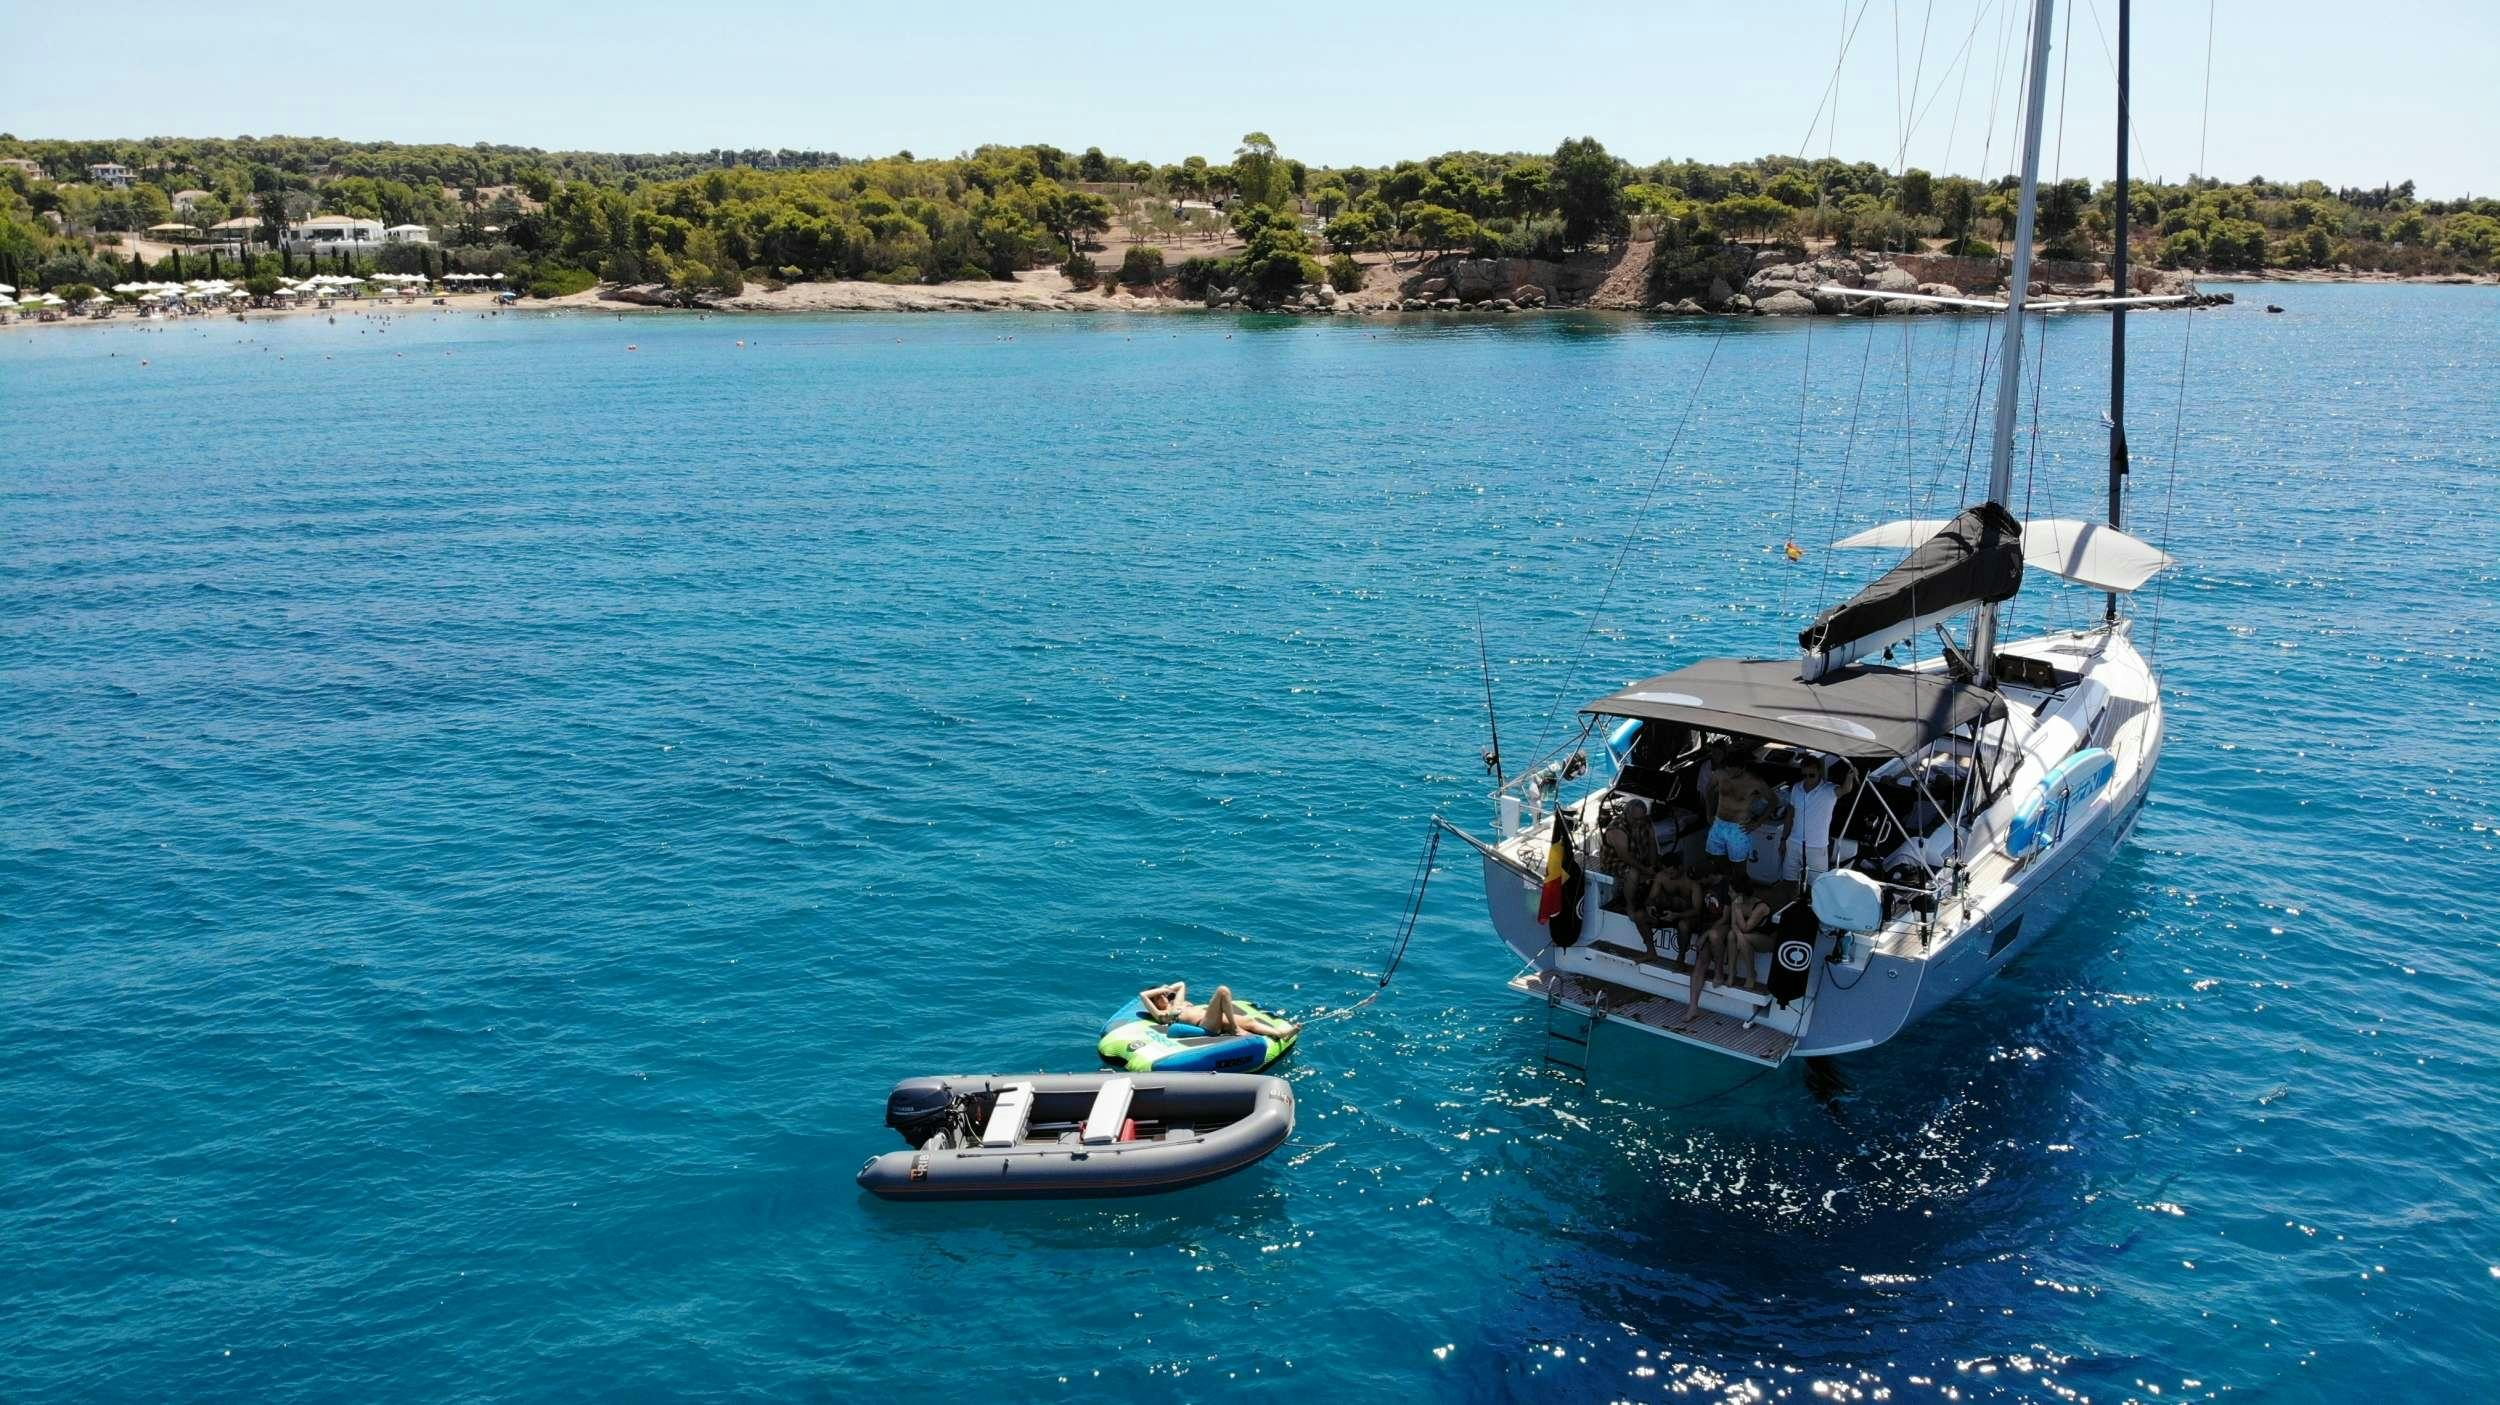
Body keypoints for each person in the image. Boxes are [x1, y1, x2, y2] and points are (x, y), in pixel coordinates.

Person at [1781, 755, 1854, 889]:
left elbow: (1846, 789)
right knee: (1789, 880)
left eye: (1811, 775)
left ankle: (1814, 909)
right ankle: (1792, 907)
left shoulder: (1830, 790)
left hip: (1817, 847)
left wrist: (1850, 776)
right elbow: (1789, 815)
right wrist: (1783, 839)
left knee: (1818, 885)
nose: (1807, 779)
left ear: (1819, 772)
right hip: (1793, 843)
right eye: (1805, 775)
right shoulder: (1796, 788)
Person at [1137, 981, 1297, 1039]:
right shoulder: (1162, 1015)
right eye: (1160, 996)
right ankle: (1234, 1029)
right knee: (1222, 990)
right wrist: (1158, 990)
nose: (1164, 996)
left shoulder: (1176, 1004)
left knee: (1249, 1021)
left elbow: (1181, 984)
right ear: (1156, 1003)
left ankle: (1281, 1034)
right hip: (1205, 1025)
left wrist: (1166, 988)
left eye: (1164, 994)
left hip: (1210, 1017)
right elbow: (1143, 995)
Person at [1703, 755, 1772, 879]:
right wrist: (1709, 813)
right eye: (1728, 770)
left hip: (1739, 827)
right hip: (1719, 823)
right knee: (1715, 859)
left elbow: (1773, 801)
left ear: (1742, 768)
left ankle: (1740, 890)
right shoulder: (1720, 774)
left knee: (1739, 866)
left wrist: (1757, 823)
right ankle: (1725, 887)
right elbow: (1708, 790)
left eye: (1733, 771)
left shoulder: (1754, 781)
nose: (1730, 774)